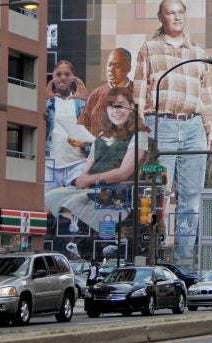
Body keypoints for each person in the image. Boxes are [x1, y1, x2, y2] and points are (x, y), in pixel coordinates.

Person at [133, 0, 212, 261]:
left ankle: (183, 259)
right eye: (171, 13)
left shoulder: (199, 54)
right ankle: (154, 254)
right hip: (162, 123)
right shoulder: (150, 48)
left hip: (193, 127)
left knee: (191, 197)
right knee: (160, 192)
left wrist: (211, 130)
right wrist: (139, 119)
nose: (177, 17)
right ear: (162, 17)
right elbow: (140, 86)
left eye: (181, 12)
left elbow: (205, 96)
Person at [45, 87, 149, 236]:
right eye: (111, 107)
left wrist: (91, 179)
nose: (116, 111)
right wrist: (83, 179)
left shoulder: (140, 134)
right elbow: (87, 168)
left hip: (115, 192)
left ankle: (82, 233)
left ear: (131, 107)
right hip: (90, 188)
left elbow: (125, 172)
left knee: (73, 204)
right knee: (49, 197)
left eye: (120, 105)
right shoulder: (101, 136)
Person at [45, 60, 90, 192]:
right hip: (49, 165)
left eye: (67, 74)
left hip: (77, 163)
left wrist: (87, 101)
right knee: (47, 206)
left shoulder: (79, 102)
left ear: (73, 78)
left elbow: (93, 127)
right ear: (53, 77)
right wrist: (44, 101)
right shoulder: (48, 102)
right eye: (58, 74)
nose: (63, 77)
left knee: (73, 205)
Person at [78, 48, 134, 137]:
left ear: (128, 68)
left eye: (117, 65)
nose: (111, 69)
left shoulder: (138, 92)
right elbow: (83, 126)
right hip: (99, 148)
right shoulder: (96, 94)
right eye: (109, 65)